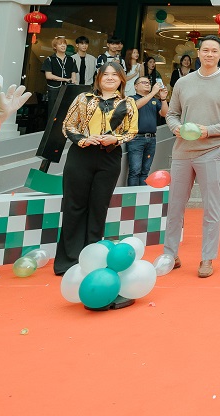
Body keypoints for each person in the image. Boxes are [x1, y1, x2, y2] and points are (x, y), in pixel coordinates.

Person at [160, 35, 220, 278]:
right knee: (175, 206)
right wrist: (176, 127)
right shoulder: (183, 83)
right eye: (205, 50)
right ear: (198, 53)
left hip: (211, 151)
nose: (209, 54)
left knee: (211, 208)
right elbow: (172, 114)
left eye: (214, 51)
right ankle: (170, 254)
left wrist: (210, 131)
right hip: (182, 152)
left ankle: (207, 258)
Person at [54, 60, 138, 296]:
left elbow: (131, 131)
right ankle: (68, 261)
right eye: (105, 74)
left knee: (98, 207)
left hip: (109, 157)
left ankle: (92, 258)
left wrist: (116, 139)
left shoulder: (128, 103)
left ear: (122, 78)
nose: (110, 78)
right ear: (98, 78)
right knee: (74, 205)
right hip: (81, 154)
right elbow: (67, 125)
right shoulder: (83, 99)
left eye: (115, 74)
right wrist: (82, 139)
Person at [127, 76, 168, 186]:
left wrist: (163, 99)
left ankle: (142, 198)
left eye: (149, 82)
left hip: (152, 138)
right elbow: (135, 106)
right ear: (135, 86)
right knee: (134, 171)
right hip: (136, 139)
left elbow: (164, 114)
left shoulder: (154, 100)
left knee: (145, 172)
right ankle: (132, 199)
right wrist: (153, 92)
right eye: (144, 82)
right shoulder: (131, 98)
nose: (147, 84)